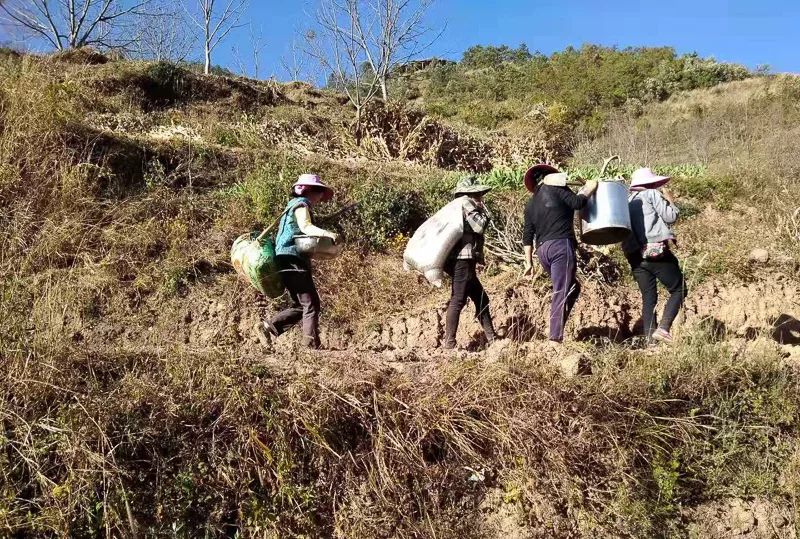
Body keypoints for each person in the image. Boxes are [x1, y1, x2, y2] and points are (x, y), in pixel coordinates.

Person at [259, 174, 338, 349]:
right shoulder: (302, 205)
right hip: (293, 259)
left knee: (303, 304)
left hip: (285, 258)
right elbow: (306, 227)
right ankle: (309, 346)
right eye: (320, 193)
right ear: (311, 191)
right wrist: (328, 234)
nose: (320, 198)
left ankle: (270, 326)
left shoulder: (291, 205)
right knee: (310, 304)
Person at [521, 164, 598, 344]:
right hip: (560, 246)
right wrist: (589, 188)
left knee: (572, 287)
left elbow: (527, 236)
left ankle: (558, 327)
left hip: (543, 251)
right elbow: (577, 203)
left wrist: (528, 263)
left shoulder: (530, 204)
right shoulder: (557, 188)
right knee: (561, 290)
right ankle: (555, 338)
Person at [622, 167, 687, 343]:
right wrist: (671, 200)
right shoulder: (651, 194)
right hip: (654, 250)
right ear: (650, 183)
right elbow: (671, 216)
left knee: (649, 297)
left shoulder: (626, 201)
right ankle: (664, 328)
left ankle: (651, 342)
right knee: (679, 288)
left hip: (634, 256)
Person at [443, 176, 497, 350]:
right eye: (479, 193)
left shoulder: (458, 205)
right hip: (463, 260)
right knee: (458, 299)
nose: (481, 195)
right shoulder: (466, 203)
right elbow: (479, 226)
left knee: (481, 299)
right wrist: (485, 211)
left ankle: (492, 339)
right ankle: (450, 343)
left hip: (463, 260)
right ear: (471, 192)